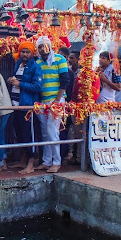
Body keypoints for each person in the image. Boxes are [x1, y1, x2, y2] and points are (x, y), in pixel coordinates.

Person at [35, 36, 69, 173]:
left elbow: (65, 81)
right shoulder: (37, 63)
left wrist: (57, 100)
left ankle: (56, 161)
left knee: (52, 130)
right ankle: (47, 161)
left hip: (56, 100)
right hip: (43, 102)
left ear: (49, 46)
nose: (42, 49)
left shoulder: (60, 59)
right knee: (45, 132)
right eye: (40, 47)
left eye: (44, 46)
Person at [7, 41, 42, 174]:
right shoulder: (18, 64)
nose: (25, 54)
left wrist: (19, 84)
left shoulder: (35, 67)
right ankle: (22, 161)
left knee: (29, 135)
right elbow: (17, 81)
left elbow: (37, 87)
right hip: (16, 106)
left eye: (27, 52)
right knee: (20, 134)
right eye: (23, 51)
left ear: (32, 53)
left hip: (28, 107)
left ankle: (31, 164)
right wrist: (12, 80)